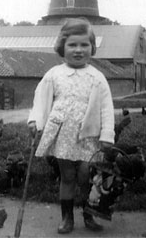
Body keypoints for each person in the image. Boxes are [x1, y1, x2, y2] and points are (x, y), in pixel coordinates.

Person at [27, 18, 115, 234]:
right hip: (63, 134)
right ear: (62, 47)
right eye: (72, 45)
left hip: (90, 136)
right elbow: (41, 101)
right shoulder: (54, 74)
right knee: (67, 177)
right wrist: (35, 121)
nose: (78, 50)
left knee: (87, 177)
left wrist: (107, 135)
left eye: (84, 45)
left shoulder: (98, 77)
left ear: (92, 47)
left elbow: (106, 108)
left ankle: (89, 215)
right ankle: (67, 218)